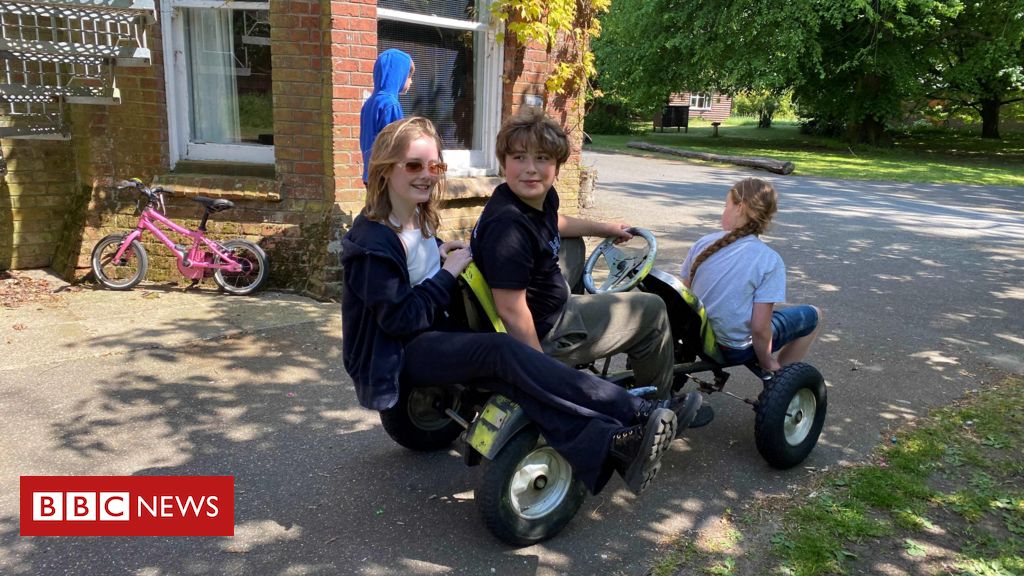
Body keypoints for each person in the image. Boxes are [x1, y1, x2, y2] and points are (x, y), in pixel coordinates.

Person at [341, 116, 702, 496]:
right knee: (507, 355)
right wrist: (446, 274)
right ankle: (636, 411)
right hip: (401, 350)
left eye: (435, 166)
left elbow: (415, 263)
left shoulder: (416, 213)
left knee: (521, 382)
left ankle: (613, 442)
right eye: (414, 165)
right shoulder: (370, 243)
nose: (426, 175)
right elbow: (400, 318)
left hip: (438, 328)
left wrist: (438, 251)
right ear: (384, 169)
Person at [470, 107, 677, 400]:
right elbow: (511, 310)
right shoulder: (508, 229)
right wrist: (542, 374)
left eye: (541, 158)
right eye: (519, 157)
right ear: (504, 162)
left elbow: (553, 222)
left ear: (557, 165)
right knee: (653, 309)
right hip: (548, 329)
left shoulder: (534, 197)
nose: (531, 168)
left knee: (573, 243)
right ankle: (657, 404)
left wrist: (604, 227)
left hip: (545, 298)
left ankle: (589, 327)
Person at [681, 177, 822, 382]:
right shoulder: (769, 260)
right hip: (733, 349)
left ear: (739, 208)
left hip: (695, 338)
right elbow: (759, 328)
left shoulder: (703, 243)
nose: (723, 211)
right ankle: (781, 379)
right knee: (815, 316)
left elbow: (683, 295)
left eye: (725, 205)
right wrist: (766, 362)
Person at [359, 48, 414, 184]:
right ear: (398, 74)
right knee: (388, 206)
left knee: (374, 205)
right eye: (409, 76)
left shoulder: (370, 102)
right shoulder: (390, 104)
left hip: (370, 172)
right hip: (385, 175)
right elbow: (396, 143)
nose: (411, 81)